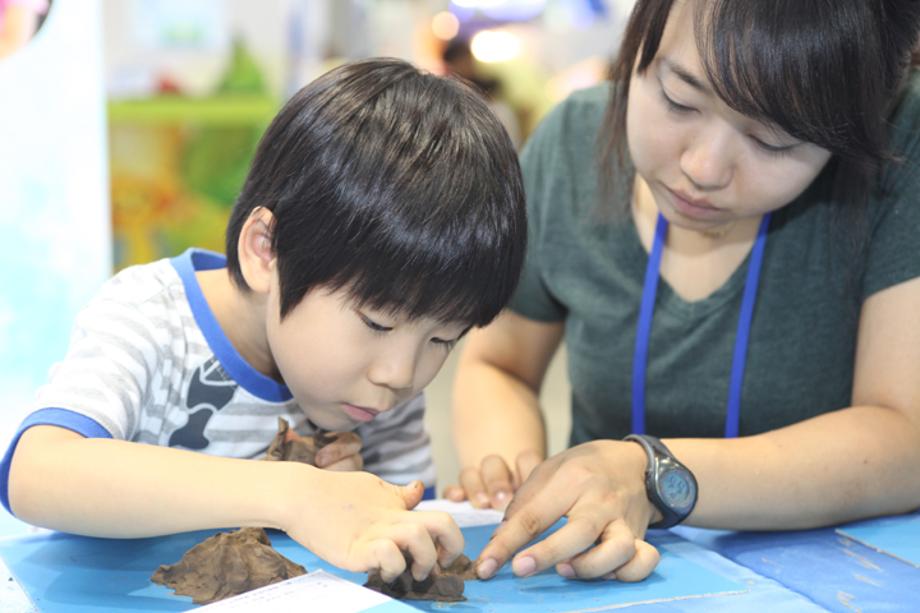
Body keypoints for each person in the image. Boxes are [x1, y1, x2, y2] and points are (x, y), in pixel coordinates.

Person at [1, 57, 526, 583]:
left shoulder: (375, 389)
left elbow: (396, 542)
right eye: (376, 323)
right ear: (266, 251)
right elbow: (35, 472)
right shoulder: (151, 318)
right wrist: (297, 494)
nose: (401, 375)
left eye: (442, 339)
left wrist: (374, 509)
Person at [448, 0, 920, 584]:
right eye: (678, 99)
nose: (703, 167)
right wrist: (519, 481)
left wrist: (649, 475)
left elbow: (906, 440)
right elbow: (502, 364)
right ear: (637, 48)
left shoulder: (901, 155)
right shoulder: (571, 145)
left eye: (774, 141)